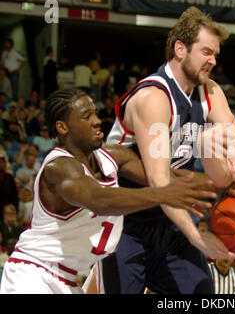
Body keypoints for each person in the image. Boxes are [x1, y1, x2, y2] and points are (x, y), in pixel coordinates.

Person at [0, 88, 220, 294]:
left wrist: (227, 183)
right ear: (62, 127)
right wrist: (162, 194)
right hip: (31, 274)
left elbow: (164, 175)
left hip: (69, 280)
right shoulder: (58, 169)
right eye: (87, 117)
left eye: (95, 114)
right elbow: (98, 199)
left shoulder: (112, 156)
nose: (97, 121)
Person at [100, 6, 235, 294]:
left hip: (171, 225)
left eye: (216, 54)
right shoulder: (154, 98)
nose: (214, 61)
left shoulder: (210, 91)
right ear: (180, 49)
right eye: (207, 52)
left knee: (202, 293)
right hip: (128, 224)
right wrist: (197, 236)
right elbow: (160, 184)